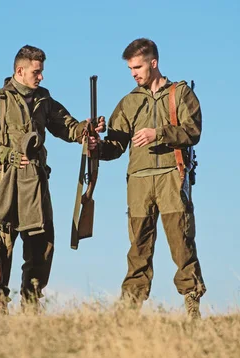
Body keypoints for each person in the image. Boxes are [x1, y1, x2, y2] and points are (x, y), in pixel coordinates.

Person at [0, 45, 105, 314]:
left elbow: (67, 127)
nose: (40, 77)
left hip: (37, 184)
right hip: (6, 185)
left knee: (42, 245)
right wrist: (5, 153)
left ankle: (32, 305)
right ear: (20, 70)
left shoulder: (44, 100)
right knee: (3, 247)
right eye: (36, 72)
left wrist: (86, 129)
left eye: (41, 72)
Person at [99, 38, 206, 318]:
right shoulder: (129, 102)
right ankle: (129, 310)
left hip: (171, 176)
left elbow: (192, 131)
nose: (134, 73)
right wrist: (95, 145)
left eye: (138, 66)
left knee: (182, 243)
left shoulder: (181, 94)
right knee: (138, 248)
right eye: (130, 68)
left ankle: (192, 304)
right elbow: (115, 146)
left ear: (153, 63)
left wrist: (157, 133)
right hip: (139, 181)